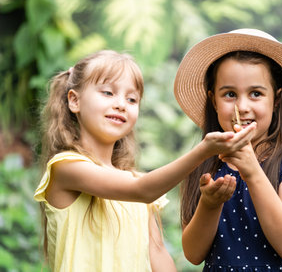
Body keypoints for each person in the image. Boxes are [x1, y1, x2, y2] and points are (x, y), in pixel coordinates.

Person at [34, 50, 256, 272]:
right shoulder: (65, 167)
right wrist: (204, 151)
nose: (121, 104)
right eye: (108, 93)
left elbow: (158, 254)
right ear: (74, 100)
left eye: (132, 99)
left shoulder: (138, 183)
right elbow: (143, 190)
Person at [175, 29, 282, 271]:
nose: (242, 107)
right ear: (214, 100)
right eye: (230, 94)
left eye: (256, 94)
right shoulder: (204, 163)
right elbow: (193, 253)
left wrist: (253, 172)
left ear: (276, 100)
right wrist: (210, 204)